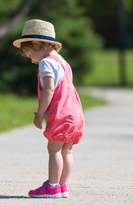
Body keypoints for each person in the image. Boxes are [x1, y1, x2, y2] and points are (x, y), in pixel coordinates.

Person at [13, 19, 85, 198]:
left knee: (53, 149)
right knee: (67, 150)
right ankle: (62, 186)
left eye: (30, 55)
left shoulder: (46, 63)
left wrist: (40, 113)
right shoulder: (63, 62)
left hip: (61, 114)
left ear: (37, 44)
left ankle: (52, 186)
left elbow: (49, 89)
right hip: (75, 113)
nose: (32, 61)